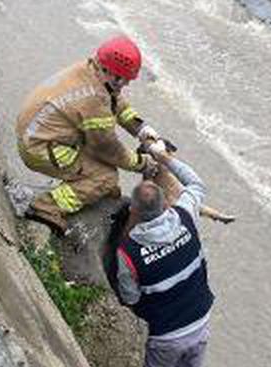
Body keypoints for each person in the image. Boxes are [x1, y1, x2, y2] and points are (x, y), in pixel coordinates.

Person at [113, 143, 214, 367]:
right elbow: (197, 184)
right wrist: (164, 158)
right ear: (165, 203)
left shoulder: (128, 253)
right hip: (199, 325)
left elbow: (129, 297)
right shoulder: (186, 216)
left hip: (164, 337)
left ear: (137, 213)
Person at [15, 35, 184, 235]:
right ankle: (47, 207)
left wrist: (142, 128)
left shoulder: (92, 72)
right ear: (108, 70)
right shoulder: (93, 100)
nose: (125, 85)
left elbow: (116, 102)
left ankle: (91, 189)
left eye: (127, 80)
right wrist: (143, 163)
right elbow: (109, 149)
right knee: (106, 177)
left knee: (101, 169)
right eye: (122, 80)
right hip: (42, 149)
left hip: (40, 135)